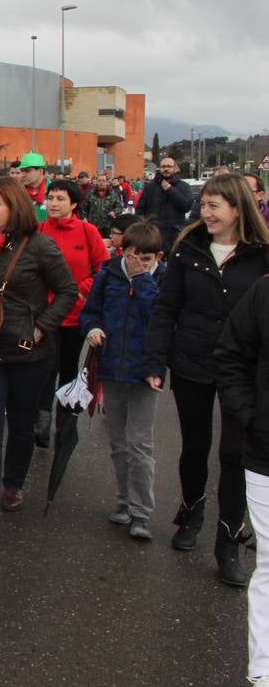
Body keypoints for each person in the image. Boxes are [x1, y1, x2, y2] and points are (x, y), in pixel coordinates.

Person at [144, 174, 269, 584]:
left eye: (215, 205)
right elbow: (167, 307)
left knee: (235, 453)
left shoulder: (261, 254)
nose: (206, 212)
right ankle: (191, 512)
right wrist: (155, 360)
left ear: (238, 208)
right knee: (196, 445)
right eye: (204, 204)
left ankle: (228, 540)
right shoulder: (188, 249)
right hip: (192, 360)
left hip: (243, 369)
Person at [0, 176, 77, 526]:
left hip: (29, 352)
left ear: (14, 206)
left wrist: (41, 328)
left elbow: (67, 291)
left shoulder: (41, 246)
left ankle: (13, 483)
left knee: (21, 425)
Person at [79, 220, 164, 540]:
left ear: (158, 256)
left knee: (140, 443)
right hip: (111, 367)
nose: (137, 262)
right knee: (118, 442)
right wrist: (92, 329)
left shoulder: (161, 280)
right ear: (121, 250)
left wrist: (143, 281)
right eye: (131, 255)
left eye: (146, 258)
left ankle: (142, 512)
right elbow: (90, 312)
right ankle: (125, 501)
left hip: (144, 373)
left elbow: (159, 316)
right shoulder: (108, 275)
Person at [214, 276, 269, 683]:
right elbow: (231, 353)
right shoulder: (264, 290)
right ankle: (263, 672)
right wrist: (250, 416)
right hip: (266, 452)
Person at [36, 179, 109, 449]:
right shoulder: (40, 230)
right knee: (45, 368)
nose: (53, 203)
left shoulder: (87, 231)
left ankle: (64, 424)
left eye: (60, 199)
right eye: (50, 198)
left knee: (68, 369)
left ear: (74, 204)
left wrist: (81, 289)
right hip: (45, 315)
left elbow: (103, 268)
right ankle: (41, 420)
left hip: (75, 315)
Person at [136, 157, 195, 252]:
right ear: (159, 168)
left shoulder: (184, 186)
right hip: (154, 234)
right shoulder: (150, 187)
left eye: (169, 166)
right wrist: (144, 227)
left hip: (175, 234)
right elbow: (140, 209)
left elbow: (186, 206)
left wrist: (170, 190)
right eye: (163, 166)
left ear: (174, 168)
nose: (166, 169)